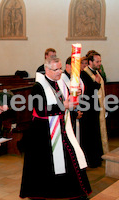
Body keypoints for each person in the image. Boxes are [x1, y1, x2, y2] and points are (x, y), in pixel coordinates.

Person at [20, 57, 91, 199]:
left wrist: (72, 110)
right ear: (47, 70)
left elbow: (64, 104)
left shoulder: (58, 84)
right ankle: (41, 193)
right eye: (56, 69)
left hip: (60, 128)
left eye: (60, 68)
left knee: (68, 159)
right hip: (42, 133)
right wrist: (63, 106)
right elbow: (40, 110)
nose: (60, 72)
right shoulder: (38, 87)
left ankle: (74, 192)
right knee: (43, 167)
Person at [81, 52, 109, 168]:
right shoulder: (83, 74)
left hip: (97, 108)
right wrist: (96, 84)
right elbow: (86, 91)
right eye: (97, 61)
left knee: (97, 134)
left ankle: (98, 157)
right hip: (89, 110)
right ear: (90, 62)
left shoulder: (96, 72)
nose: (99, 63)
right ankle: (91, 160)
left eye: (100, 61)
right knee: (90, 136)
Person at [61, 56, 85, 142]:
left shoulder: (78, 79)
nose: (77, 69)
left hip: (78, 113)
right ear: (68, 66)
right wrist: (74, 114)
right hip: (68, 115)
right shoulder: (61, 79)